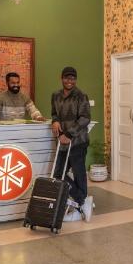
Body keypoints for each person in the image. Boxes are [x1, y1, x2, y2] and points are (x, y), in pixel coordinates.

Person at [51, 66, 93, 222]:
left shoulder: (81, 96)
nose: (70, 81)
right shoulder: (55, 95)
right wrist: (55, 121)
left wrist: (69, 134)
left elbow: (85, 118)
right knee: (58, 175)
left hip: (78, 142)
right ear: (61, 78)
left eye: (73, 78)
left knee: (79, 175)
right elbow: (54, 113)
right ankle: (83, 201)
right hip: (62, 144)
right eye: (67, 78)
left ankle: (79, 207)